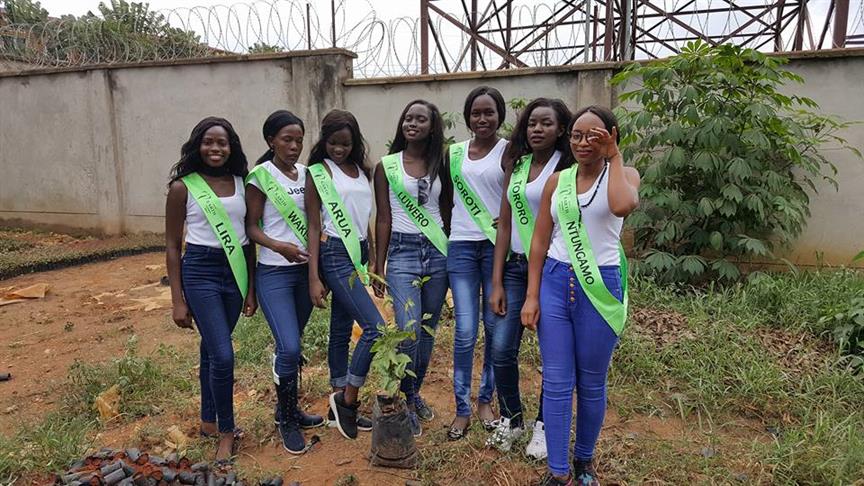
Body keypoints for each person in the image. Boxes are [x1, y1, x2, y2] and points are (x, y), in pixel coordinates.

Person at [521, 106, 640, 486]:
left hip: (600, 285)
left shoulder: (625, 174)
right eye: (576, 135)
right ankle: (558, 472)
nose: (583, 142)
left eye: (594, 135)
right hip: (555, 281)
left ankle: (584, 460)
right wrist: (531, 295)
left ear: (611, 135)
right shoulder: (558, 182)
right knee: (556, 381)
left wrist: (615, 155)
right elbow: (540, 240)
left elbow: (622, 205)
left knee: (591, 381)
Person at [165, 117, 257, 462]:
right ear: (197, 146)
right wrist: (177, 300)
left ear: (231, 147)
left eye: (222, 143)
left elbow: (247, 240)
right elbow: (173, 246)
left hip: (235, 274)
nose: (215, 148)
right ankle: (226, 431)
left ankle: (208, 420)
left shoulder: (241, 182)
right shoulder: (183, 188)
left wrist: (251, 290)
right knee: (223, 355)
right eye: (208, 142)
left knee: (210, 350)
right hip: (200, 271)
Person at [488, 98, 572, 454]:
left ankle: (543, 425)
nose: (537, 129)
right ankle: (512, 418)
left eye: (546, 123)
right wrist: (496, 281)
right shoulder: (517, 166)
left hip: (552, 270)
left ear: (561, 129)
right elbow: (505, 224)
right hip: (515, 269)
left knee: (550, 355)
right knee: (502, 349)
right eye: (532, 123)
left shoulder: (566, 168)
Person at [245, 110, 325, 455]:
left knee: (292, 348)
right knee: (289, 347)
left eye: (298, 140)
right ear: (271, 141)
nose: (294, 146)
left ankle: (289, 409)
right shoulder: (260, 176)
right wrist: (280, 247)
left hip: (302, 272)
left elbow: (313, 222)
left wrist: (314, 275)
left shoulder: (307, 175)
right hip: (274, 271)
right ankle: (287, 421)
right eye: (286, 139)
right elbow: (250, 227)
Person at [372, 100, 451, 437]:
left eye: (420, 119)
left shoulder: (441, 163)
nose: (412, 123)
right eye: (408, 117)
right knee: (409, 329)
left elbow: (447, 208)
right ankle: (403, 396)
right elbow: (384, 217)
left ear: (432, 126)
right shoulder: (386, 166)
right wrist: (379, 263)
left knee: (429, 328)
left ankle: (412, 392)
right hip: (402, 252)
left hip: (437, 251)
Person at [305, 109, 382, 440]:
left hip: (360, 251)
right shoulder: (318, 172)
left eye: (346, 143)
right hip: (334, 253)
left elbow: (364, 217)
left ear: (355, 143)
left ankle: (337, 402)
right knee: (375, 328)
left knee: (340, 327)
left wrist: (375, 257)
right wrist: (313, 275)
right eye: (333, 143)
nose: (339, 149)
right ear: (324, 141)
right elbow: (312, 224)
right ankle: (347, 399)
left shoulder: (360, 170)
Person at [447, 86, 510, 440]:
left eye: (489, 112)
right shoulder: (454, 154)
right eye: (476, 113)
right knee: (465, 329)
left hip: (495, 247)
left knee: (492, 326)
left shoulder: (508, 152)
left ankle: (486, 400)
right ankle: (461, 408)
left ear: (499, 115)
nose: (482, 119)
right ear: (468, 116)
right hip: (460, 246)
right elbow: (445, 199)